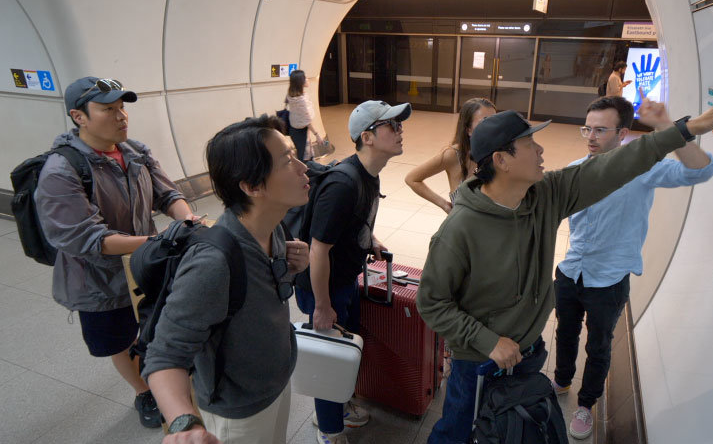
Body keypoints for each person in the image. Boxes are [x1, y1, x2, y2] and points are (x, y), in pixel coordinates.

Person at [416, 84, 713, 444]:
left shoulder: (545, 195)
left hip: (528, 353)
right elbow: (431, 303)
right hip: (480, 361)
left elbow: (616, 165)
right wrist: (488, 341)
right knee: (455, 432)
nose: (541, 150)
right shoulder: (460, 229)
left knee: (506, 432)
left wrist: (686, 129)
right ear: (502, 160)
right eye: (530, 144)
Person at [35, 76, 200, 429]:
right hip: (97, 279)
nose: (122, 116)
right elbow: (89, 239)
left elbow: (168, 194)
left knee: (155, 325)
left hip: (144, 264)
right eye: (108, 109)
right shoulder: (61, 170)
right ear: (79, 116)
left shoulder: (135, 152)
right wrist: (160, 242)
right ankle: (144, 391)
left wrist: (187, 220)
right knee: (121, 341)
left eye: (122, 107)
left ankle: (164, 375)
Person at [552, 95, 713, 439]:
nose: (591, 136)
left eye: (600, 130)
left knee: (599, 346)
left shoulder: (643, 169)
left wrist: (666, 126)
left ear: (622, 133)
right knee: (565, 332)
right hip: (570, 271)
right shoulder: (576, 168)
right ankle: (562, 381)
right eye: (587, 128)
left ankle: (586, 405)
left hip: (609, 280)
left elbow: (701, 170)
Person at [143, 114, 310, 444]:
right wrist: (184, 424)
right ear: (252, 186)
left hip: (274, 382)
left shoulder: (274, 226)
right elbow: (164, 355)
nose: (303, 168)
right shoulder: (213, 263)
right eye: (288, 160)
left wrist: (293, 267)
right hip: (240, 410)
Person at [295, 100, 409, 444]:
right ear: (367, 137)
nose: (400, 130)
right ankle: (329, 431)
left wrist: (369, 239)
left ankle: (340, 409)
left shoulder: (369, 175)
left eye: (399, 124)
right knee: (330, 358)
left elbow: (351, 222)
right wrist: (322, 305)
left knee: (345, 351)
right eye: (392, 125)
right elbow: (317, 250)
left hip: (345, 278)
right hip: (325, 287)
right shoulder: (343, 184)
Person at [404, 98, 495, 214]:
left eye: (495, 121)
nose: (493, 128)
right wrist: (444, 205)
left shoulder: (499, 155)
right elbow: (412, 179)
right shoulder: (453, 155)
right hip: (462, 224)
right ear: (468, 129)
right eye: (484, 123)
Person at [286, 69, 320, 161]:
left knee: (303, 155)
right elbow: (307, 120)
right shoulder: (301, 101)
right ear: (300, 82)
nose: (307, 79)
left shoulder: (291, 95)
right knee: (305, 158)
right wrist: (317, 135)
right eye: (305, 78)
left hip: (294, 130)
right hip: (301, 132)